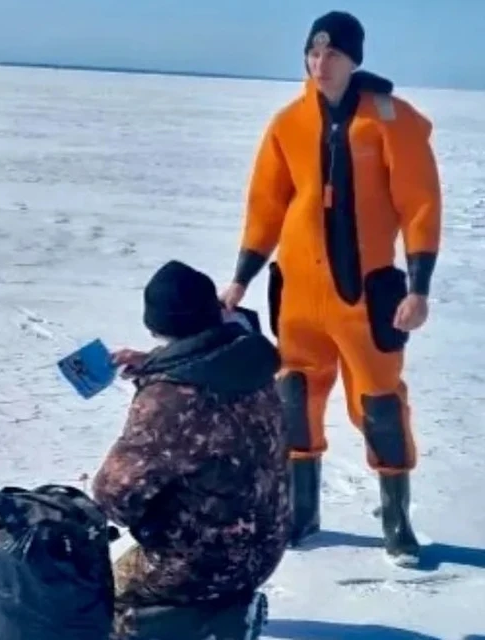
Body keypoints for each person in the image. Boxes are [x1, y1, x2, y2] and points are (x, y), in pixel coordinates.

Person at [218, 10, 441, 564]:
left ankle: (397, 521)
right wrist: (241, 277)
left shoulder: (392, 120)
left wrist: (418, 287)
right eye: (313, 54)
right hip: (297, 294)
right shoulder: (288, 123)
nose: (321, 64)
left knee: (380, 405)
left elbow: (419, 204)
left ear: (353, 59)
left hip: (367, 297)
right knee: (295, 399)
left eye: (333, 54)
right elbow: (266, 206)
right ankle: (302, 513)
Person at [91, 260, 289, 640]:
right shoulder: (249, 358)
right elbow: (206, 365)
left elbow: (114, 497)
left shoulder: (170, 399)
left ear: (156, 324)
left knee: (100, 600)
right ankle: (223, 608)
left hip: (206, 561)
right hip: (269, 540)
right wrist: (156, 364)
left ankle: (217, 622)